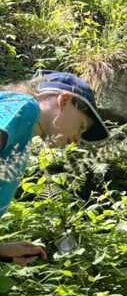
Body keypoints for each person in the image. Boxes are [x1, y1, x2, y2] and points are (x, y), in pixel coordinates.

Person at [0, 70, 110, 265]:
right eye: (81, 126)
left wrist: (4, 251)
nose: (77, 140)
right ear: (65, 100)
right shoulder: (25, 106)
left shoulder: (21, 142)